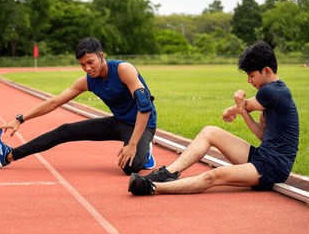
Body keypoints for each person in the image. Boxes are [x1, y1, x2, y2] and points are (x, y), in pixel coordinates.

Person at [128, 41, 299, 195]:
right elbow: (262, 135)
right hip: (262, 155)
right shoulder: (271, 95)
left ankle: (151, 186)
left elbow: (246, 104)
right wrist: (240, 110)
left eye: (252, 75)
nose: (249, 80)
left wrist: (232, 109)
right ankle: (167, 173)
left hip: (273, 167)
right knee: (209, 132)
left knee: (213, 176)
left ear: (267, 70)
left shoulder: (273, 91)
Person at [0, 37, 157, 175]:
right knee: (65, 130)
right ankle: (8, 155)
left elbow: (145, 106)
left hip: (143, 124)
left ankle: (145, 151)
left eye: (90, 62)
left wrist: (133, 144)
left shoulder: (123, 69)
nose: (87, 68)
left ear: (102, 56)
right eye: (83, 65)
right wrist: (20, 119)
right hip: (119, 122)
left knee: (130, 167)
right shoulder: (88, 81)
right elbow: (54, 102)